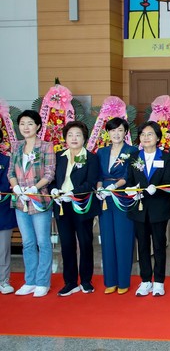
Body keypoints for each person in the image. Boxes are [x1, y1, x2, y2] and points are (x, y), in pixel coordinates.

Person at [8, 110, 55, 298]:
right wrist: (16, 188)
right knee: (27, 243)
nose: (25, 127)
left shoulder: (46, 146)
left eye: (30, 123)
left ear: (38, 126)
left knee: (43, 242)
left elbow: (49, 173)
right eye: (22, 124)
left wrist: (34, 188)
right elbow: (11, 172)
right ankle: (30, 281)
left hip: (39, 200)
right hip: (20, 201)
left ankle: (42, 282)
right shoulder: (16, 146)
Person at [50, 121, 101, 296]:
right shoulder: (59, 156)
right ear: (65, 138)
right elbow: (52, 179)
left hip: (82, 204)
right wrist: (54, 191)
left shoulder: (91, 158)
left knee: (85, 242)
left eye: (78, 135)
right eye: (70, 135)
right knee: (67, 244)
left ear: (84, 138)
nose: (74, 138)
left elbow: (90, 183)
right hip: (61, 205)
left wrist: (72, 193)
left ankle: (86, 280)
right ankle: (70, 282)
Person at [126, 121, 170, 297]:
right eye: (143, 134)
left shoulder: (166, 157)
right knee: (143, 246)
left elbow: (169, 180)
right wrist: (131, 190)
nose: (146, 137)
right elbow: (129, 180)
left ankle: (159, 281)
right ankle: (145, 280)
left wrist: (157, 188)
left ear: (158, 137)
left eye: (150, 134)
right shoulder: (134, 157)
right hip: (138, 208)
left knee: (159, 245)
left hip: (159, 207)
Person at [95, 117, 138, 294]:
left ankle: (123, 281)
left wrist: (114, 186)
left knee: (123, 238)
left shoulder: (132, 151)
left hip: (121, 196)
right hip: (104, 198)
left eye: (120, 130)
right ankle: (110, 281)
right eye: (113, 130)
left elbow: (129, 174)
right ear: (108, 132)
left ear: (125, 132)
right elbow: (98, 174)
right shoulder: (102, 152)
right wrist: (100, 188)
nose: (116, 133)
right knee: (107, 238)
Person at [0, 151, 18, 294]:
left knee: (3, 249)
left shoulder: (6, 161)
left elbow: (7, 183)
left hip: (3, 212)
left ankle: (3, 280)